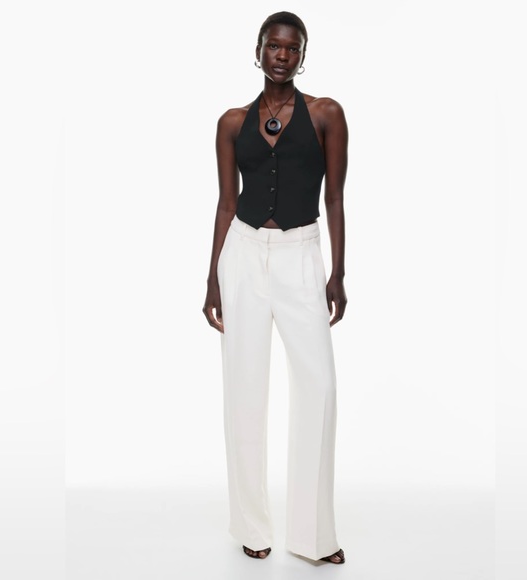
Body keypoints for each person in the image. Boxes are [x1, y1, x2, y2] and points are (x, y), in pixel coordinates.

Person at [202, 11, 348, 565]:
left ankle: (314, 536)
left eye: (292, 48)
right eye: (273, 46)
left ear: (302, 56)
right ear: (259, 49)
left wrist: (338, 272)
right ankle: (251, 526)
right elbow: (226, 203)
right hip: (242, 256)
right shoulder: (231, 122)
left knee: (319, 387)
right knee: (244, 388)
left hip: (301, 255)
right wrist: (212, 277)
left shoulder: (327, 114)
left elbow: (334, 197)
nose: (282, 56)